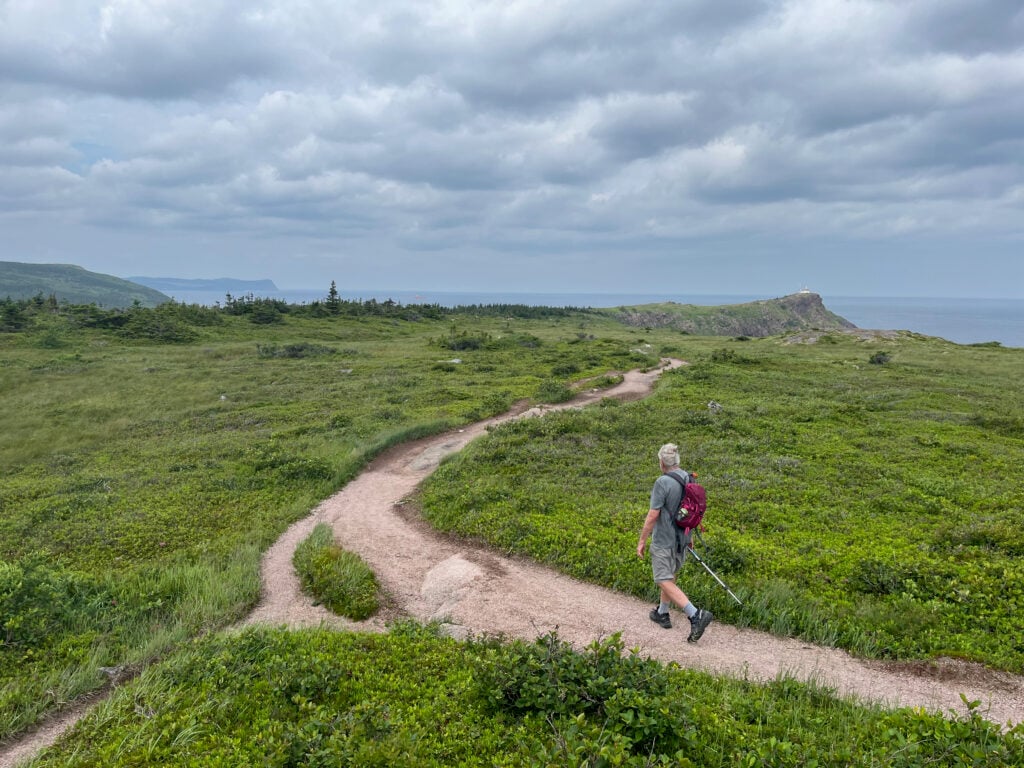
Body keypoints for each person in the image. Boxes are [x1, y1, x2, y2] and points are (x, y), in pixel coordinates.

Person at [636, 442, 713, 643]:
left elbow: (653, 514)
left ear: (662, 462)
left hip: (665, 539)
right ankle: (662, 613)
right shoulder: (688, 477)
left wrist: (642, 540)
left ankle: (695, 615)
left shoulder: (662, 482)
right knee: (670, 576)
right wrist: (691, 537)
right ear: (677, 461)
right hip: (683, 538)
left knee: (662, 579)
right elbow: (691, 509)